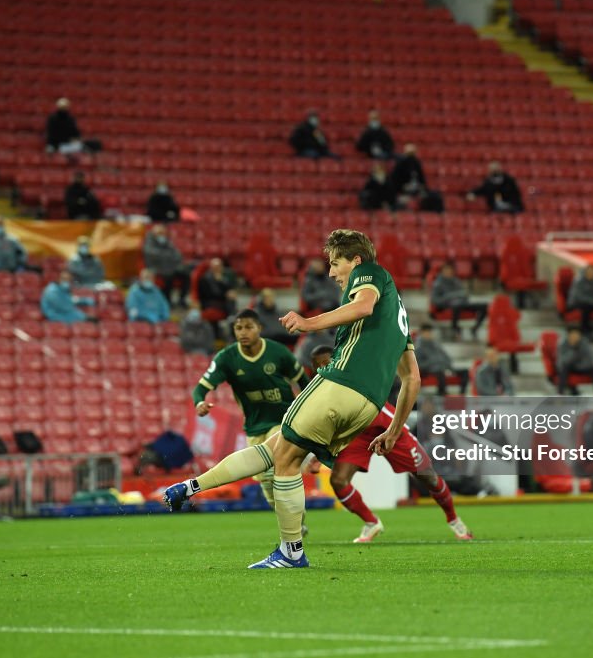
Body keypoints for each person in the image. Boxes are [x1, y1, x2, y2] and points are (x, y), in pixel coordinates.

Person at [163, 229, 420, 569]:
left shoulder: (371, 273)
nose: (331, 273)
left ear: (356, 261)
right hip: (368, 405)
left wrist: (308, 323)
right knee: (278, 449)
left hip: (340, 384)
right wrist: (393, 430)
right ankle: (191, 486)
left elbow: (363, 305)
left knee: (281, 458)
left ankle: (291, 551)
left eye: (335, 264)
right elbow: (412, 378)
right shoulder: (399, 320)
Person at [310, 345, 472, 542]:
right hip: (358, 435)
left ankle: (454, 519)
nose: (324, 367)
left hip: (386, 425)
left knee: (428, 476)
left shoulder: (356, 376)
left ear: (337, 360)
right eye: (318, 365)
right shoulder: (321, 391)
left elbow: (382, 403)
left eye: (327, 362)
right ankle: (371, 522)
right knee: (338, 480)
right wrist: (319, 454)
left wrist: (394, 432)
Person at [192, 309, 309, 510]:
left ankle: (294, 516)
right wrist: (199, 403)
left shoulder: (278, 352)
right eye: (238, 328)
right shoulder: (227, 358)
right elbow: (201, 388)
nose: (243, 332)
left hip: (283, 421)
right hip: (255, 425)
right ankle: (291, 516)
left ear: (259, 329)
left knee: (275, 466)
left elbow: (303, 382)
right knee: (264, 478)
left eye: (248, 327)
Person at [430, 262, 487, 338]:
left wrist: (461, 296)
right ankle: (455, 329)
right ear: (442, 271)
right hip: (447, 305)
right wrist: (451, 297)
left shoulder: (456, 281)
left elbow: (464, 294)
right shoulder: (438, 284)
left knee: (484, 306)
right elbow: (435, 300)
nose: (449, 272)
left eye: (450, 270)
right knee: (457, 304)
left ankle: (475, 328)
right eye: (446, 270)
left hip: (462, 303)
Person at [142, 224, 189, 307]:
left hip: (170, 266)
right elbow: (153, 254)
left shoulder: (167, 241)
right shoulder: (149, 241)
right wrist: (168, 256)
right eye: (159, 233)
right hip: (156, 267)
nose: (161, 235)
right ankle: (168, 300)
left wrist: (168, 257)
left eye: (163, 233)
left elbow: (177, 254)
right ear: (154, 232)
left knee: (185, 274)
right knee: (168, 276)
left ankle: (182, 299)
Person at [414, 324, 468, 395]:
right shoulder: (419, 347)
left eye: (430, 332)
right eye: (426, 332)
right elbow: (419, 365)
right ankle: (442, 395)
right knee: (440, 372)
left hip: (444, 367)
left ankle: (462, 394)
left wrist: (448, 366)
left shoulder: (436, 344)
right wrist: (434, 363)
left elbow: (445, 356)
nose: (429, 334)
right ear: (421, 333)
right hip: (430, 370)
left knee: (465, 372)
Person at [556, 326, 593, 395]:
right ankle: (560, 394)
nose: (574, 337)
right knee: (564, 368)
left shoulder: (585, 344)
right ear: (568, 335)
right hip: (570, 367)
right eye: (572, 335)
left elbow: (590, 360)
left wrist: (580, 365)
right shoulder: (563, 344)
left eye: (577, 335)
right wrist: (574, 350)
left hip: (583, 366)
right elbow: (562, 362)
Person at [197, 257, 238, 328]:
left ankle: (231, 317)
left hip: (222, 300)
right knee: (229, 300)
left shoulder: (225, 277)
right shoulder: (205, 279)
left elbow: (230, 288)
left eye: (219, 266)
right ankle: (231, 317)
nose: (218, 269)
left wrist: (222, 282)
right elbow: (210, 294)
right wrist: (225, 294)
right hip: (209, 302)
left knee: (231, 298)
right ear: (211, 268)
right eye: (216, 267)